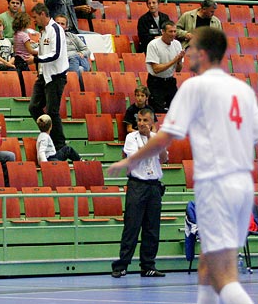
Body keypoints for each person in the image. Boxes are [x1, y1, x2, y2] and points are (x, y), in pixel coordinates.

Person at [110, 27, 257, 304]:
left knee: (224, 276)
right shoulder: (243, 90)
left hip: (217, 185)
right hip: (242, 187)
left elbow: (164, 136)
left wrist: (130, 159)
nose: (185, 51)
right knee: (207, 267)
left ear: (202, 53)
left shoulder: (195, 86)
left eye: (190, 46)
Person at [111, 108, 167, 279]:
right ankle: (121, 265)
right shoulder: (131, 138)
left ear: (152, 123)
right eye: (139, 120)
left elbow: (164, 158)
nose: (141, 123)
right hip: (137, 185)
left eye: (145, 120)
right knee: (132, 227)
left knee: (152, 229)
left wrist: (153, 139)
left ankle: (148, 265)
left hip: (154, 186)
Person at [26, 3, 68, 150]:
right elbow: (44, 51)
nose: (34, 21)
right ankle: (47, 134)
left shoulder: (55, 29)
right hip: (44, 75)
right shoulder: (43, 31)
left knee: (52, 111)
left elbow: (55, 54)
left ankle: (60, 145)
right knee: (33, 107)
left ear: (43, 14)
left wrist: (36, 59)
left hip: (56, 76)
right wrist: (31, 51)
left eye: (35, 17)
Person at [145, 21, 184, 114]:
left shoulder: (177, 44)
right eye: (170, 32)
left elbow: (178, 69)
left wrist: (179, 61)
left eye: (175, 31)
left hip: (170, 81)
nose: (173, 34)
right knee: (158, 111)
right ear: (163, 32)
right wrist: (174, 60)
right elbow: (156, 69)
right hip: (156, 82)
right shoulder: (153, 45)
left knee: (175, 110)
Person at [54, 15, 90, 91]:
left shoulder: (72, 36)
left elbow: (87, 50)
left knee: (76, 57)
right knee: (80, 69)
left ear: (66, 27)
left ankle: (73, 87)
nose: (60, 25)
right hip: (63, 62)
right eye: (57, 23)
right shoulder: (49, 37)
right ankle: (79, 90)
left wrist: (82, 53)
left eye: (62, 24)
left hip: (78, 59)